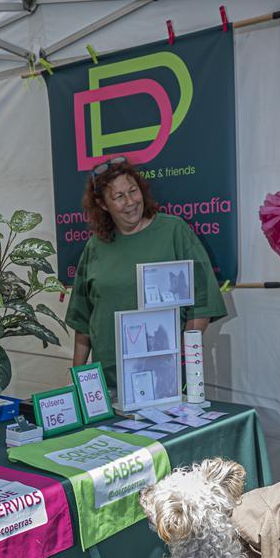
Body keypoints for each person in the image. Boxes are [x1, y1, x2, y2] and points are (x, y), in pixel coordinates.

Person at [65, 157, 226, 388]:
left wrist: (178, 358)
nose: (130, 201)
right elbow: (83, 321)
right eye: (119, 196)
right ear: (102, 204)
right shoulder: (95, 246)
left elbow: (202, 304)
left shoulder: (174, 231)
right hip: (109, 379)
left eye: (133, 191)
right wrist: (78, 381)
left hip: (164, 379)